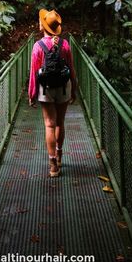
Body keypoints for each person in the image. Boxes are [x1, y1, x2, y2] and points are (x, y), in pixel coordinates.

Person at [28, 9, 77, 177]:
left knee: (49, 124)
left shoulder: (37, 46)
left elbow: (34, 73)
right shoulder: (64, 45)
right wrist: (74, 88)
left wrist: (32, 94)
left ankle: (53, 165)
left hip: (45, 89)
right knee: (60, 123)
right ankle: (60, 153)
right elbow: (71, 69)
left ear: (43, 26)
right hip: (63, 87)